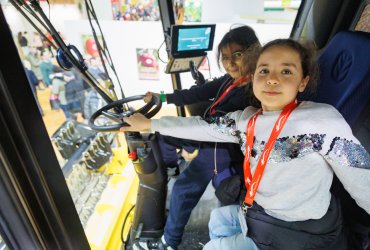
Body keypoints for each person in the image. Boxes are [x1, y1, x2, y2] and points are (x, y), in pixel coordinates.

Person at [121, 39, 370, 249]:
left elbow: (362, 178)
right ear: (253, 78)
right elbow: (202, 126)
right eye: (264, 70)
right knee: (218, 219)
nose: (272, 79)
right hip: (262, 212)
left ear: (302, 81)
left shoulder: (323, 122)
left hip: (299, 229)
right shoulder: (246, 120)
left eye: (286, 71)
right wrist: (151, 125)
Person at [139, 25, 261, 249]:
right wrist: (163, 97)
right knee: (163, 137)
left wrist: (152, 122)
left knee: (183, 188)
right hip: (208, 133)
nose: (230, 62)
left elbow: (214, 128)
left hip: (223, 147)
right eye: (225, 57)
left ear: (254, 52)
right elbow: (198, 93)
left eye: (237, 55)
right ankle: (171, 169)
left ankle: (169, 241)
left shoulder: (252, 92)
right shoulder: (230, 80)